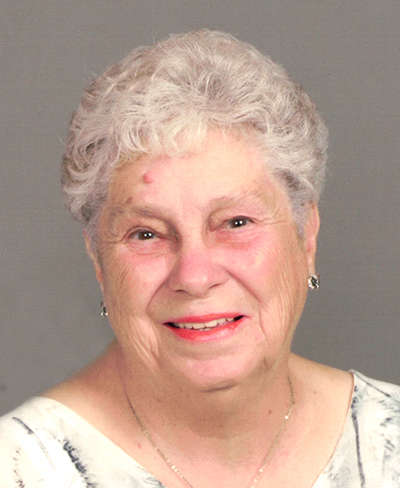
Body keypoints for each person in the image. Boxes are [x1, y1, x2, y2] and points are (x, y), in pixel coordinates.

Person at [0, 29, 399, 488]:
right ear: (99, 260)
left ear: (305, 236)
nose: (194, 276)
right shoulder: (20, 468)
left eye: (235, 223)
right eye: (147, 233)